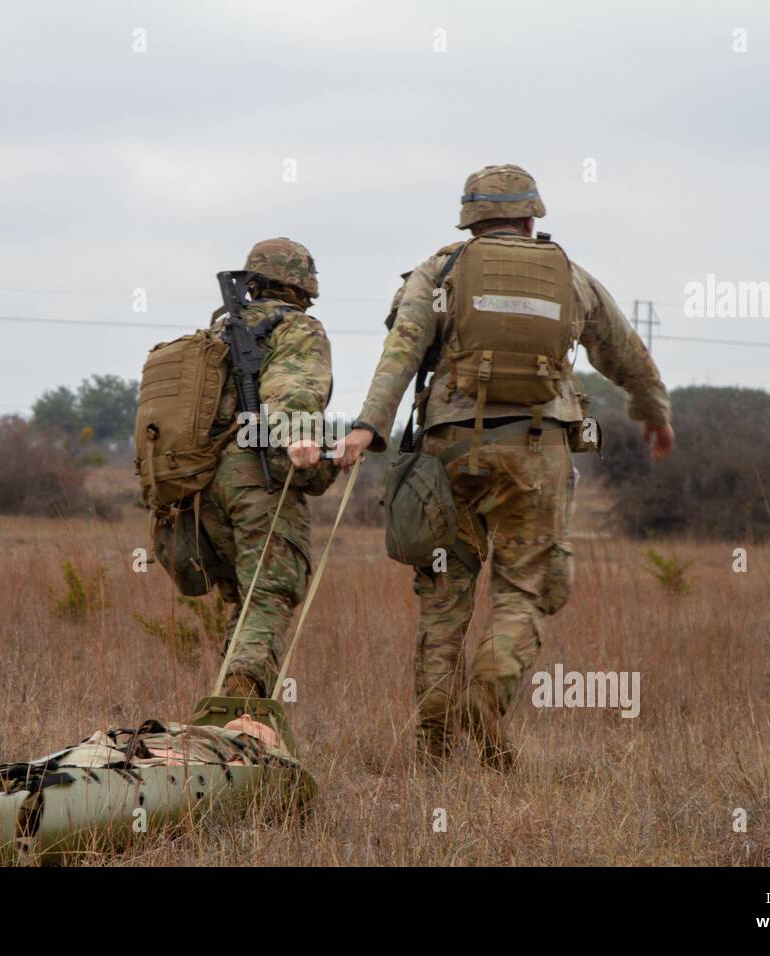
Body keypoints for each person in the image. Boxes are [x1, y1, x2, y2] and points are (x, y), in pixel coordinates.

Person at [335, 164, 675, 769]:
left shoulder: (439, 271)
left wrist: (369, 426)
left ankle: (435, 750)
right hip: (537, 453)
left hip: (450, 453)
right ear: (529, 216)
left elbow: (402, 349)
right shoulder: (568, 276)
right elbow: (626, 353)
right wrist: (653, 413)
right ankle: (486, 696)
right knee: (524, 588)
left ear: (470, 219)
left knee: (443, 598)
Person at [201, 237, 334, 700]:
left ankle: (231, 717)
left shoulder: (214, 334)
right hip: (256, 481)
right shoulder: (296, 328)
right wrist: (300, 436)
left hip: (200, 488)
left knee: (245, 601)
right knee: (269, 596)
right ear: (300, 285)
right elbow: (293, 386)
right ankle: (240, 706)